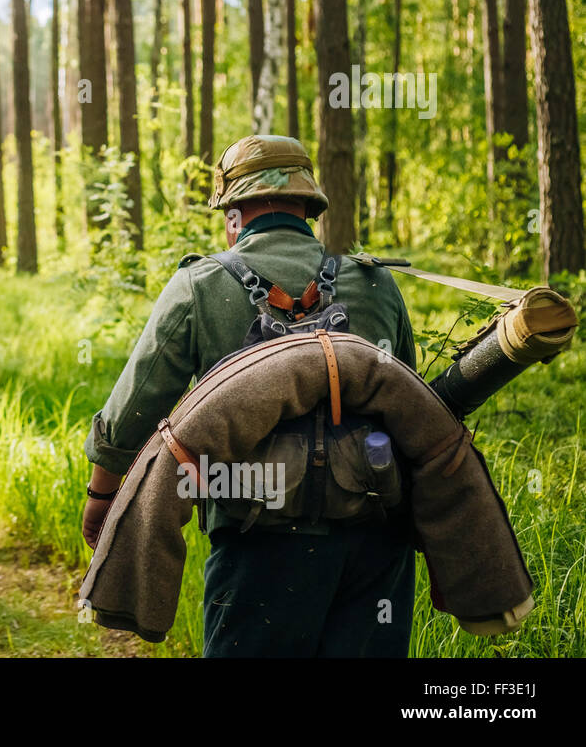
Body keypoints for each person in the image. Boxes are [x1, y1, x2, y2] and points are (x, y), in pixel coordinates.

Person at [81, 134, 419, 657]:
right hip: (377, 547)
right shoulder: (377, 285)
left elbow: (134, 411)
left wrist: (102, 495)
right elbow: (413, 414)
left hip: (260, 548)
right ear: (308, 206)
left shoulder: (200, 285)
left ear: (233, 210)